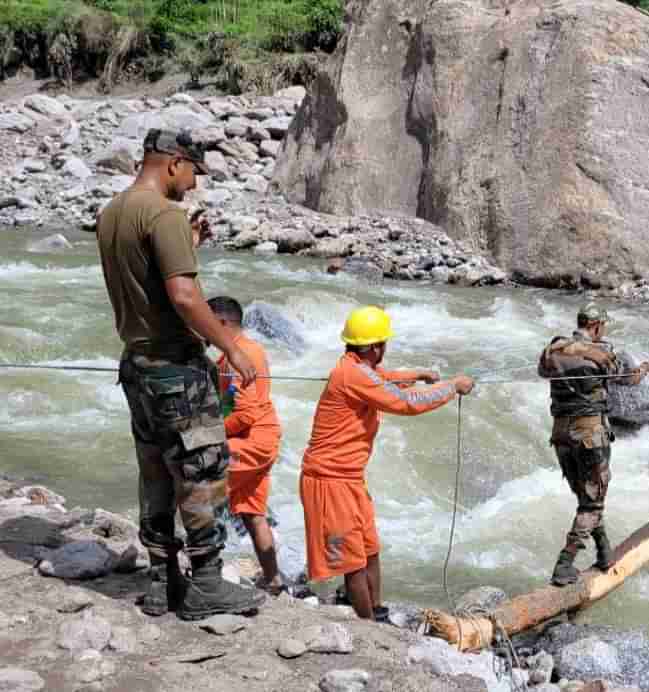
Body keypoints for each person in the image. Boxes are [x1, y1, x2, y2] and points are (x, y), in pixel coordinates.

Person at [97, 129, 266, 620]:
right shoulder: (164, 214)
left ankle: (160, 582)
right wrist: (232, 347)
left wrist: (187, 245)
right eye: (193, 172)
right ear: (174, 163)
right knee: (201, 470)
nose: (193, 185)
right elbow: (186, 298)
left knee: (154, 471)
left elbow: (143, 279)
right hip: (176, 370)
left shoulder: (114, 212)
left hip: (137, 365)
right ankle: (208, 584)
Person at [299, 306, 475, 620]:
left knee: (369, 549)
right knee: (352, 562)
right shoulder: (352, 373)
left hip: (349, 478)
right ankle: (369, 627)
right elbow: (407, 403)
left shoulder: (356, 367)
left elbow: (384, 379)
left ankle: (375, 611)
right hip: (328, 478)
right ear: (377, 347)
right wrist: (452, 387)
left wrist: (417, 375)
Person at [538, 304, 649, 587]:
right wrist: (648, 368)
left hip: (561, 434)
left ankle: (604, 551)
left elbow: (542, 371)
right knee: (593, 502)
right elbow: (627, 379)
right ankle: (564, 563)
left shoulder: (553, 350)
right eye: (603, 326)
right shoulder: (601, 353)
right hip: (590, 435)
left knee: (587, 497)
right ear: (596, 327)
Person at [208, 296, 285, 594]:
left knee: (202, 495)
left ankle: (201, 571)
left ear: (223, 324)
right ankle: (273, 579)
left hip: (251, 442)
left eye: (207, 324)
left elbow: (245, 413)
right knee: (253, 513)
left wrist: (212, 433)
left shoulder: (242, 354)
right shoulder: (234, 353)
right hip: (261, 440)